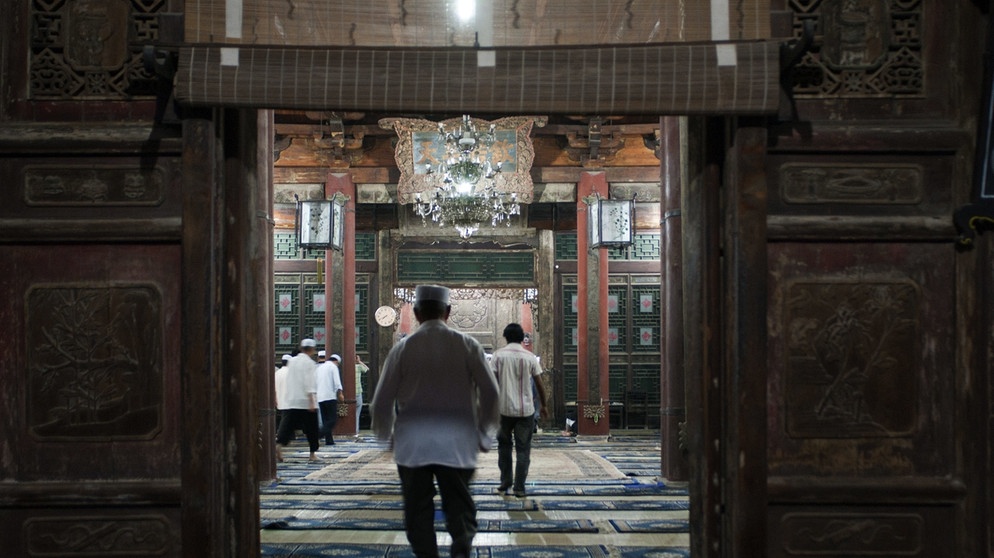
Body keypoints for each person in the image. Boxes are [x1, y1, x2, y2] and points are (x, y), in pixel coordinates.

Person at [371, 284, 499, 558]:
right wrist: (485, 434)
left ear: (416, 313)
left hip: (413, 446)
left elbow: (381, 401)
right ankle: (460, 551)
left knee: (418, 513)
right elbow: (491, 393)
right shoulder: (468, 345)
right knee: (460, 510)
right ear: (449, 311)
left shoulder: (402, 349)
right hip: (458, 444)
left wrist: (388, 436)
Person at [490, 323, 548, 498]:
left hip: (503, 411)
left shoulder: (498, 356)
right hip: (525, 412)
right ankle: (520, 488)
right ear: (522, 338)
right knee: (523, 450)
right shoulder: (529, 357)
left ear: (505, 337)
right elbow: (539, 384)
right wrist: (544, 405)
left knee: (504, 447)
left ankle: (505, 481)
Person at [276, 339, 321, 462]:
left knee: (288, 426)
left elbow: (289, 380)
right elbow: (309, 382)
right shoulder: (309, 363)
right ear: (311, 350)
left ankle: (279, 444)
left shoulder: (292, 362)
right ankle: (312, 454)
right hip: (306, 402)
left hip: (292, 400)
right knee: (312, 429)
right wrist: (311, 400)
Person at [316, 352, 344, 445]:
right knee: (332, 419)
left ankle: (329, 440)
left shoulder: (320, 368)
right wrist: (340, 393)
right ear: (336, 361)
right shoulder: (333, 367)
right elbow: (337, 381)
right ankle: (319, 434)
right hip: (330, 396)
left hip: (320, 397)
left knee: (325, 420)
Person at [354, 353, 369, 438]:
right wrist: (359, 362)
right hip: (358, 392)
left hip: (348, 393)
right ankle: (355, 431)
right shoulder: (358, 367)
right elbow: (367, 369)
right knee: (357, 413)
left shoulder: (347, 368)